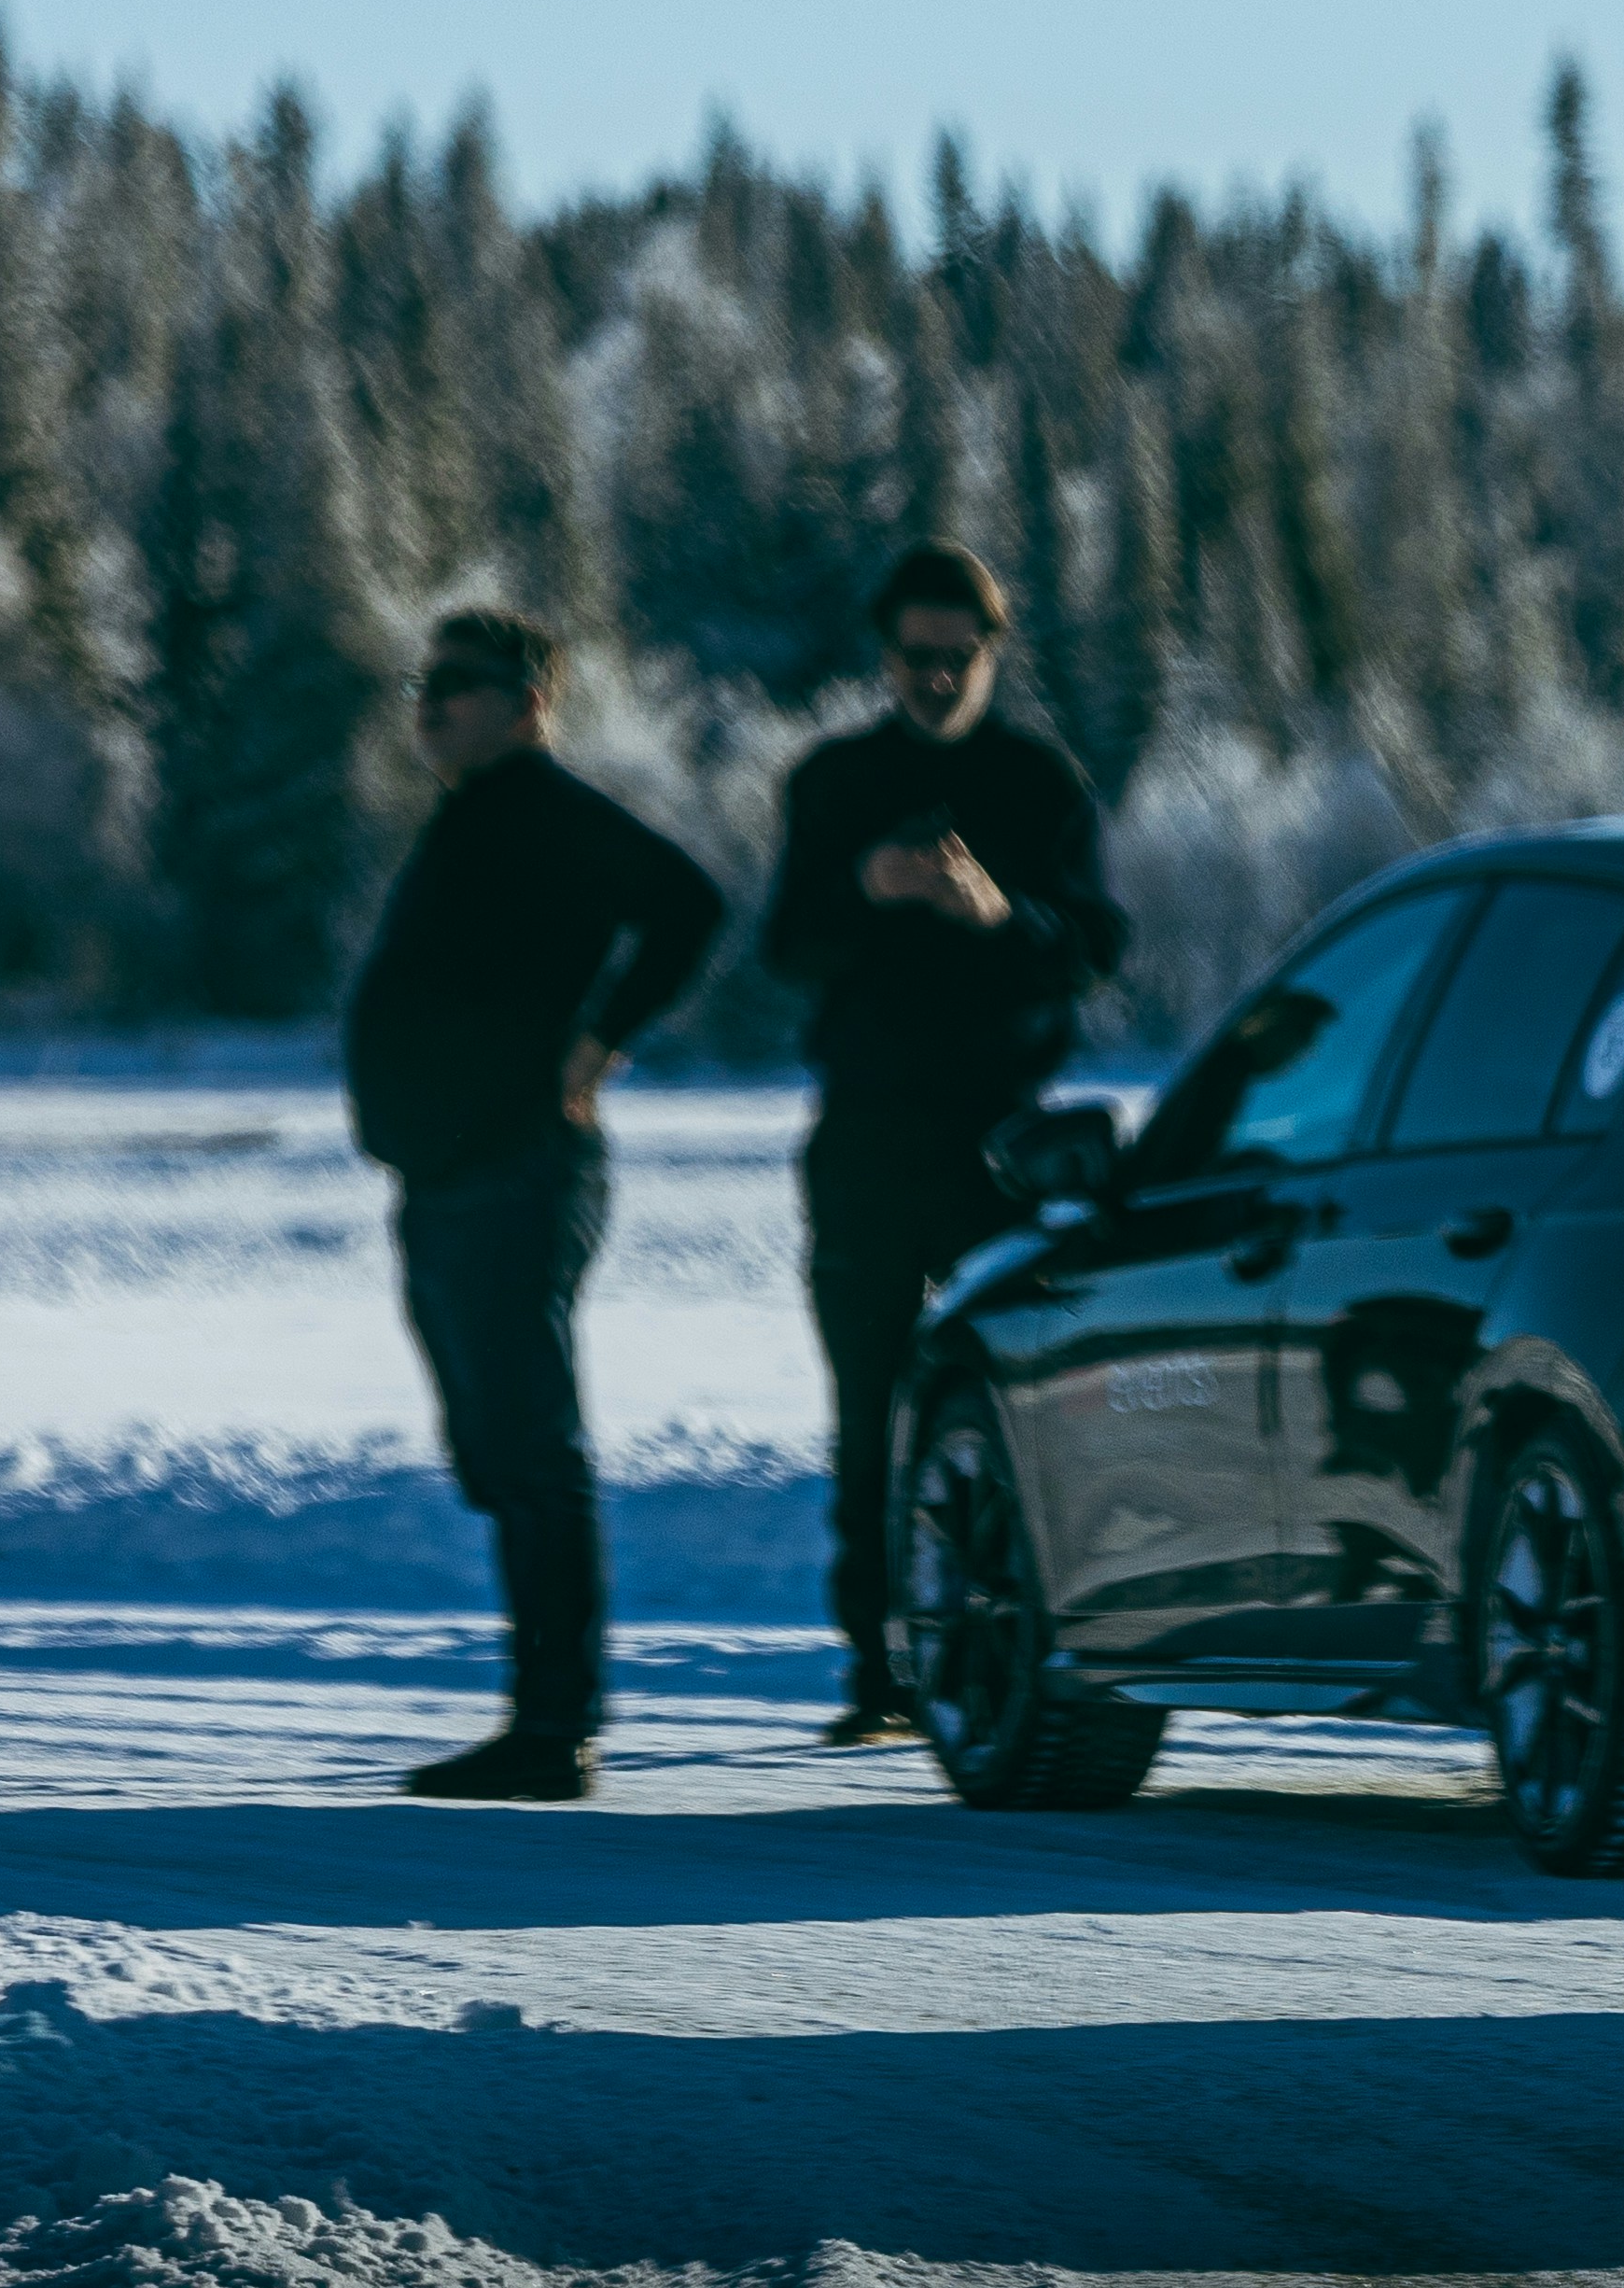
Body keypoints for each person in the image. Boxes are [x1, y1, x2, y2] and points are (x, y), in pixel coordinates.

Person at [342, 607, 728, 1804]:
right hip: (454, 1176)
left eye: (461, 685)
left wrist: (602, 1039)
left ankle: (555, 1725)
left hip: (517, 1172)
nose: (434, 705)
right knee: (497, 1447)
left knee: (531, 1445)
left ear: (531, 701)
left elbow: (691, 904)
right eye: (427, 684)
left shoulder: (549, 813)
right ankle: (544, 1715)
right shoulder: (472, 822)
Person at [759, 542, 1127, 1741]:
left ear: (993, 654)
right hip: (867, 1138)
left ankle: (1023, 1650)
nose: (934, 678)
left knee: (1023, 1405)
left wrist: (995, 913)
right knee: (870, 1413)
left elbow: (1094, 949)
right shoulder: (831, 784)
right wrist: (866, 885)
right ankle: (880, 1672)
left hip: (1004, 1146)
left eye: (956, 658)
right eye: (916, 658)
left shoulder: (1041, 784)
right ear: (885, 657)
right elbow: (781, 951)